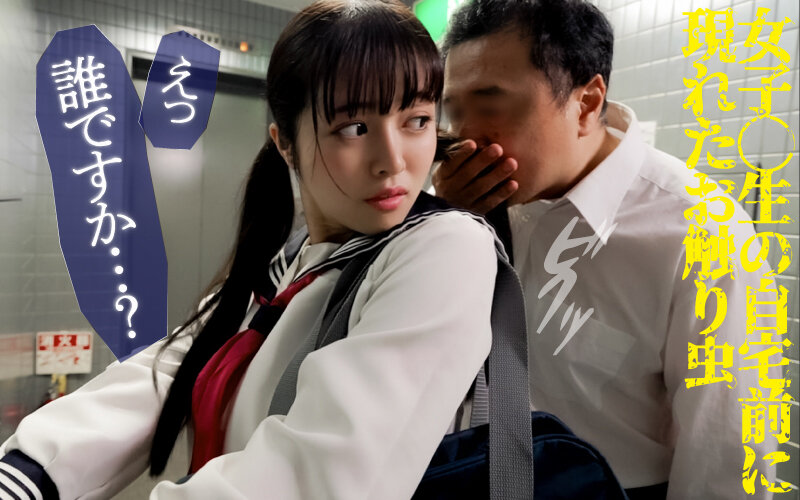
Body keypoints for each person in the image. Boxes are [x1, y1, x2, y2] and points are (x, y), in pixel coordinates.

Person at [0, 1, 503, 498]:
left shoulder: (446, 248)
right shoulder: (290, 261)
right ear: (285, 143)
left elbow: (315, 477)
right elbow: (172, 366)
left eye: (417, 120)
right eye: (354, 128)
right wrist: (29, 470)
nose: (392, 161)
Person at [433, 0, 780, 499]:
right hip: (469, 476)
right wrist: (440, 222)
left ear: (587, 102)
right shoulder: (463, 203)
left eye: (491, 106)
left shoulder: (700, 231)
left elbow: (724, 456)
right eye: (454, 112)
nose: (464, 137)